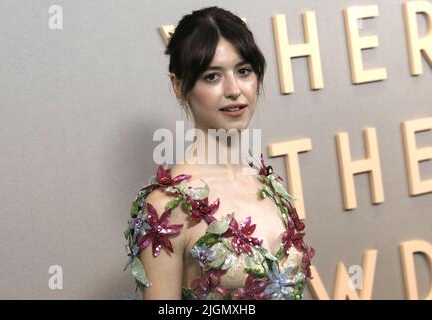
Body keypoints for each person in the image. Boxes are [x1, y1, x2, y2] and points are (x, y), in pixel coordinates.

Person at [124, 6, 314, 300]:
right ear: (178, 85)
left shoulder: (268, 185)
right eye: (212, 76)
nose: (234, 89)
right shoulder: (166, 205)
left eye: (244, 71)